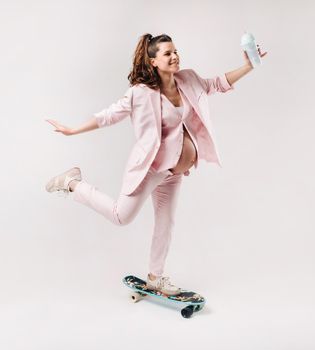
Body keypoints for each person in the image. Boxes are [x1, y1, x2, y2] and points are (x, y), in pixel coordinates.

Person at [44, 33, 267, 295]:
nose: (174, 56)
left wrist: (249, 66)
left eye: (175, 51)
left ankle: (155, 277)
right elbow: (109, 116)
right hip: (151, 169)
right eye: (167, 53)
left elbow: (216, 83)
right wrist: (72, 130)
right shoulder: (141, 94)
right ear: (153, 62)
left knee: (165, 223)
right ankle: (73, 184)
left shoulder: (188, 79)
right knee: (120, 216)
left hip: (174, 173)